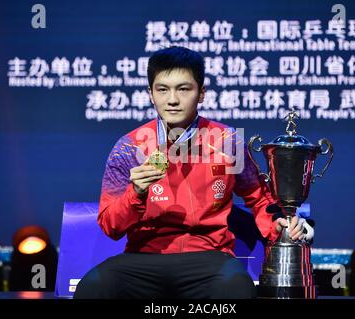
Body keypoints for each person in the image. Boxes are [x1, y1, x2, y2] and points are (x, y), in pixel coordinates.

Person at [74, 46, 313, 299]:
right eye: (162, 89)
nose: (172, 100)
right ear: (150, 94)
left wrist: (276, 225)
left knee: (237, 291)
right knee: (93, 289)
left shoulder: (227, 141)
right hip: (144, 259)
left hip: (210, 259)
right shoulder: (129, 147)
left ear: (201, 93)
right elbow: (111, 227)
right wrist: (136, 193)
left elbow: (258, 197)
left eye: (183, 89)